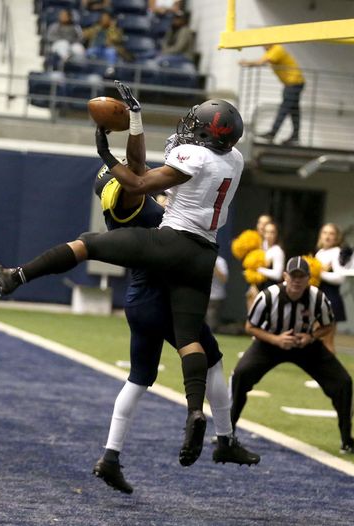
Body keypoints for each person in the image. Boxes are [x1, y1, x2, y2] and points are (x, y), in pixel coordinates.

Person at [0, 81, 245, 469]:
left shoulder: (174, 167)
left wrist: (105, 151)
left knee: (88, 243)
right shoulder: (233, 159)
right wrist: (135, 120)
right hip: (203, 254)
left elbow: (135, 179)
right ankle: (194, 412)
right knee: (190, 341)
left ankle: (15, 277)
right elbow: (142, 171)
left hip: (172, 245)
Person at [91, 109, 259, 492]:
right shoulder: (145, 205)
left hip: (139, 300)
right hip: (165, 295)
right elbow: (139, 177)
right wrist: (118, 147)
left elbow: (137, 174)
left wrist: (134, 125)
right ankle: (220, 434)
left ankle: (110, 457)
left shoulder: (123, 208)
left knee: (138, 379)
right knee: (208, 356)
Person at [230, 256, 354, 457]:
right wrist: (276, 340)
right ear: (285, 276)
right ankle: (227, 432)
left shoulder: (318, 298)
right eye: (293, 276)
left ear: (308, 279)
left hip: (305, 344)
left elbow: (328, 325)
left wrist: (311, 336)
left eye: (301, 277)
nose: (296, 281)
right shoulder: (268, 296)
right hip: (270, 343)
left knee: (343, 382)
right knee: (241, 374)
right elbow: (250, 327)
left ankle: (347, 440)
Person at [239, 44, 305, 145]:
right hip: (291, 84)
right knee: (294, 110)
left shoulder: (277, 49)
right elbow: (263, 61)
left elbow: (262, 62)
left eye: (264, 44)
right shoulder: (271, 51)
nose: (263, 47)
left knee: (284, 109)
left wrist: (246, 63)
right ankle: (295, 136)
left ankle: (273, 133)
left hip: (294, 84)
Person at [315, 223, 347, 354]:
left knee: (327, 341)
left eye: (331, 233)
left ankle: (332, 372)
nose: (327, 236)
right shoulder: (320, 253)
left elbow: (341, 277)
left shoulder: (337, 252)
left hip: (331, 298)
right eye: (325, 233)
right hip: (318, 297)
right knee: (317, 339)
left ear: (336, 237)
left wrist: (320, 273)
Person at [256, 221, 285, 290]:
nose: (268, 235)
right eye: (266, 232)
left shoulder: (278, 251)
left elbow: (278, 275)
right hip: (259, 287)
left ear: (277, 234)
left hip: (271, 288)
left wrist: (259, 269)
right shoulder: (261, 246)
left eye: (272, 232)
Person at [205, 255, 228, 332]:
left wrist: (214, 266)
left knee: (211, 327)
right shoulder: (199, 257)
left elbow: (224, 279)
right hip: (200, 296)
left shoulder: (220, 261)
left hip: (215, 298)